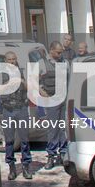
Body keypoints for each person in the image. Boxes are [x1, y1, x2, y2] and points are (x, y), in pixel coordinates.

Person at [0, 51, 33, 180]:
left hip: (21, 108)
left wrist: (21, 81)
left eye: (14, 59)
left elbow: (29, 88)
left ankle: (26, 167)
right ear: (5, 61)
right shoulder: (1, 74)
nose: (12, 62)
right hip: (8, 110)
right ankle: (11, 168)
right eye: (9, 59)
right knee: (9, 141)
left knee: (24, 139)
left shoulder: (21, 72)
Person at [39, 41, 69, 171]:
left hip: (63, 99)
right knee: (53, 128)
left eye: (61, 52)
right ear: (51, 50)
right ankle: (51, 155)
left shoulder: (65, 62)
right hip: (51, 100)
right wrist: (42, 92)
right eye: (58, 52)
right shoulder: (42, 63)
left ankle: (63, 154)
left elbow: (69, 79)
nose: (60, 54)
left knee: (62, 127)